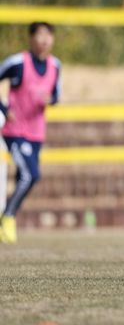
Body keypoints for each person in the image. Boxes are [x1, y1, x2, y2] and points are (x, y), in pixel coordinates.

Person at [0, 22, 61, 244]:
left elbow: (56, 94)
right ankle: (7, 217)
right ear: (31, 38)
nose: (45, 40)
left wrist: (50, 100)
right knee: (31, 175)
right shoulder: (18, 63)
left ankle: (8, 218)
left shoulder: (55, 65)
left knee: (22, 177)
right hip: (15, 131)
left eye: (49, 35)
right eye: (40, 34)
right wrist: (5, 108)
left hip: (36, 133)